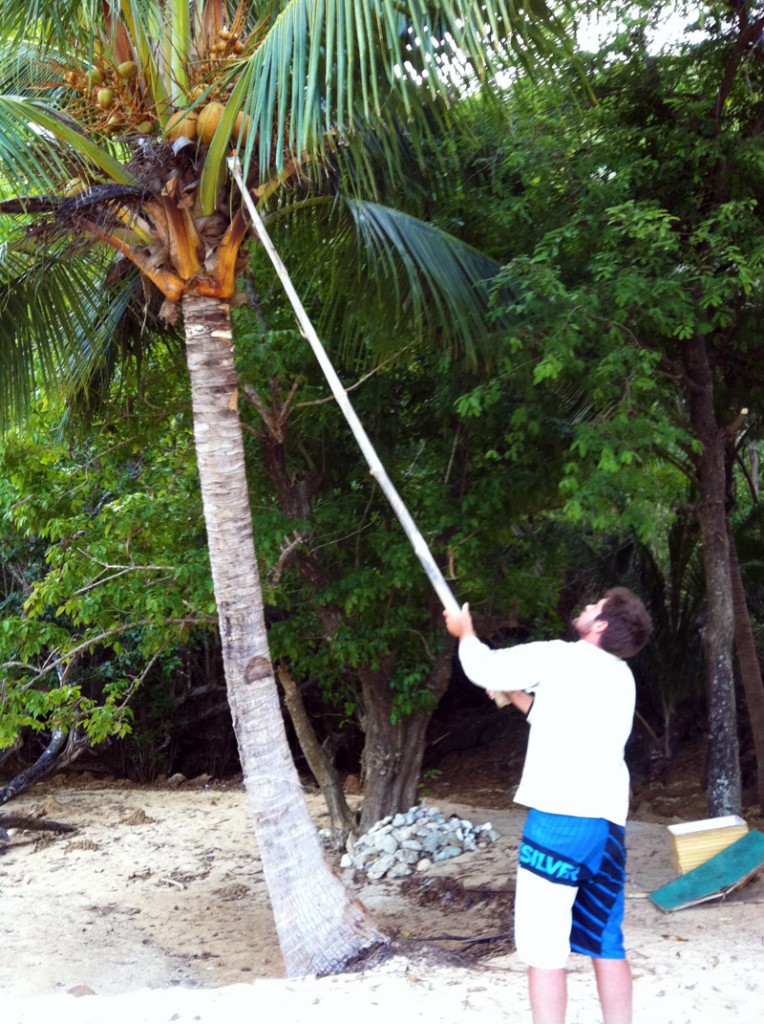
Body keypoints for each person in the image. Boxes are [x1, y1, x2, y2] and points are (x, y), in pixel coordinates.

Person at [443, 587, 652, 1024]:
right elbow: (559, 718)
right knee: (606, 942)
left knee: (545, 951)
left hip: (558, 823)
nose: (586, 607)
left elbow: (481, 666)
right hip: (607, 828)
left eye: (593, 607)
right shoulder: (621, 677)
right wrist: (515, 694)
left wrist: (464, 634)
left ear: (601, 626)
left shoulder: (560, 656)